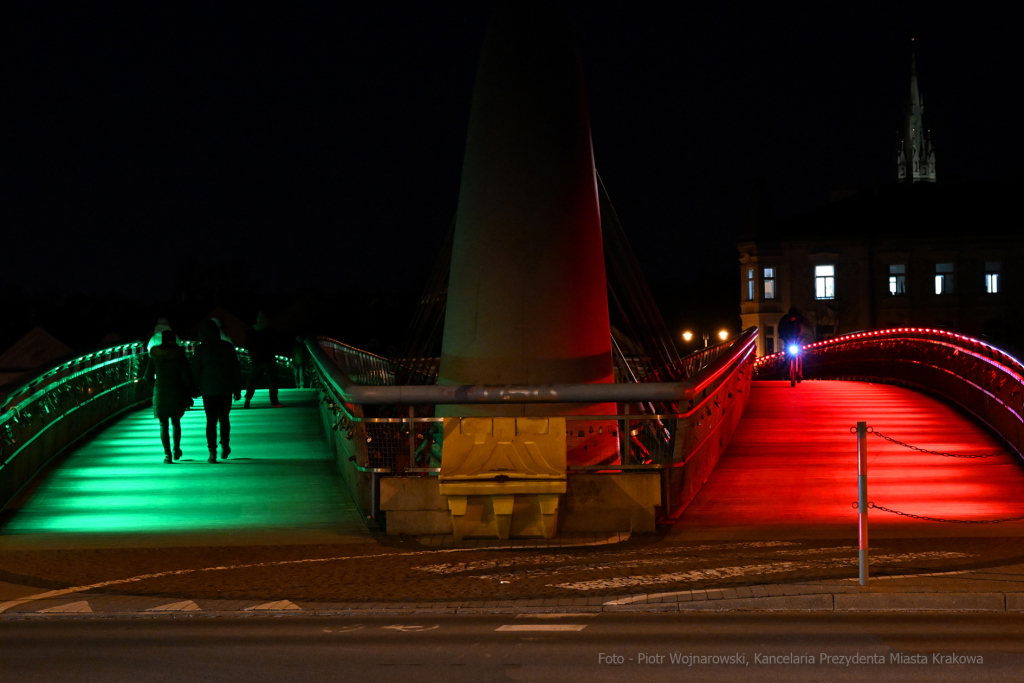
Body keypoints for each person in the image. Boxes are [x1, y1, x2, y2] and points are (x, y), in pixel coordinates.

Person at [141, 330, 197, 464]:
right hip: (176, 390)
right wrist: (192, 391)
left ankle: (168, 455)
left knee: (163, 424)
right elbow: (186, 376)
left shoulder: (154, 355)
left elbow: (147, 377)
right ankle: (177, 449)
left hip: (160, 391)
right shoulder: (179, 355)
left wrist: (156, 386)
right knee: (176, 422)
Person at [192, 320, 241, 462]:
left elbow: (196, 371)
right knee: (224, 418)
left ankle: (212, 451)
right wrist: (237, 388)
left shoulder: (201, 349)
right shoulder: (227, 347)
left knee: (211, 420)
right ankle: (225, 445)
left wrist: (194, 389)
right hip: (226, 388)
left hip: (208, 390)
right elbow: (235, 369)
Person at [244, 311, 282, 408]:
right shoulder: (271, 331)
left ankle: (248, 398)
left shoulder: (251, 332)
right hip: (269, 360)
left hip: (256, 361)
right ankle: (274, 401)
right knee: (273, 381)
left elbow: (248, 345)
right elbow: (276, 344)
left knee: (252, 381)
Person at [776, 307, 813, 384]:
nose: (793, 318)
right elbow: (780, 329)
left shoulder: (799, 319)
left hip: (797, 338)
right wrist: (783, 337)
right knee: (787, 355)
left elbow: (807, 323)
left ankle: (799, 373)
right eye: (791, 317)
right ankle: (787, 370)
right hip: (787, 338)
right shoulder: (785, 319)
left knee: (799, 355)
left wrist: (802, 317)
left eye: (794, 317)